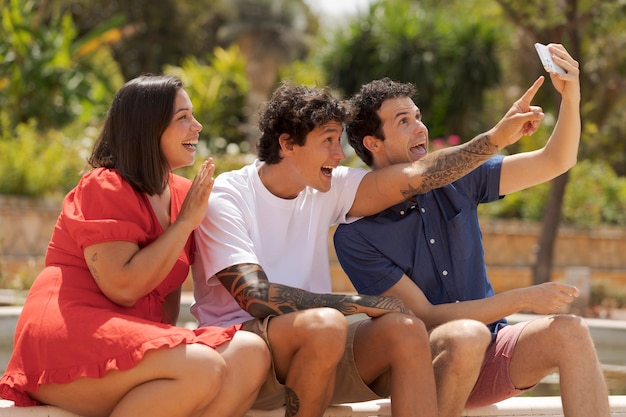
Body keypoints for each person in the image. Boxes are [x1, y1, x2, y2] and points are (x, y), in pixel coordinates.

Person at [191, 77, 548, 417]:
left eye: (339, 141)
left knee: (405, 329)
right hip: (245, 345)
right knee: (327, 324)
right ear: (287, 144)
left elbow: (417, 177)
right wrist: (361, 304)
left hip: (318, 346)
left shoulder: (327, 187)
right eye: (328, 141)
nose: (338, 154)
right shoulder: (230, 195)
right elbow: (254, 296)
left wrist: (496, 138)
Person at [334, 44, 610, 417]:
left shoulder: (460, 179)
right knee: (467, 335)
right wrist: (522, 298)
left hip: (490, 350)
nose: (420, 127)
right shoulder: (356, 235)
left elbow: (556, 160)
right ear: (373, 143)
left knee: (571, 331)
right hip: (423, 366)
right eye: (403, 121)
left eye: (417, 116)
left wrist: (571, 96)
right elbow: (428, 317)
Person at [0, 74, 270, 417]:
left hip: (132, 339)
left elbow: (168, 291)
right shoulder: (105, 186)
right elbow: (123, 288)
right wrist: (184, 223)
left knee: (250, 353)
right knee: (202, 366)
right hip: (69, 337)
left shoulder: (186, 193)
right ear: (148, 128)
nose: (197, 126)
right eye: (183, 118)